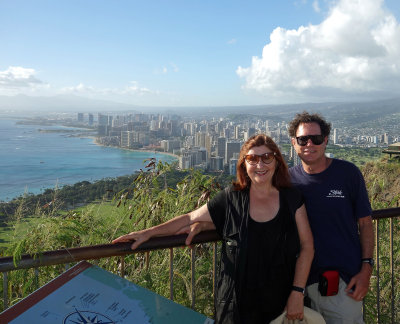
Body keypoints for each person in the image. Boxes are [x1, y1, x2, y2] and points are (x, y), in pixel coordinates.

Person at [113, 134, 314, 324]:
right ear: (244, 164)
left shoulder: (291, 198)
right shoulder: (231, 198)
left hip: (280, 302)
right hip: (235, 309)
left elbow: (307, 247)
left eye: (267, 157)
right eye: (252, 159)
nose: (260, 165)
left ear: (277, 161)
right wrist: (148, 233)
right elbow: (189, 217)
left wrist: (297, 291)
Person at [288, 112, 374, 324]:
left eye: (316, 138)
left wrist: (366, 269)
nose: (309, 144)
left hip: (342, 282)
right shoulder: (287, 181)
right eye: (302, 139)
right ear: (293, 143)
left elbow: (365, 223)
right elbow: (251, 202)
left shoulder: (348, 173)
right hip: (299, 284)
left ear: (325, 140)